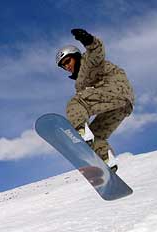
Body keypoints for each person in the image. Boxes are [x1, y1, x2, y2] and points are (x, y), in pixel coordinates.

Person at [55, 28, 134, 171]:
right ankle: (108, 163)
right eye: (63, 65)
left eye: (68, 61)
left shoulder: (87, 62)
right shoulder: (80, 82)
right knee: (96, 135)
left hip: (115, 91)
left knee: (76, 102)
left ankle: (81, 131)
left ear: (76, 56)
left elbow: (97, 51)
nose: (67, 66)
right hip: (123, 105)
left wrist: (88, 40)